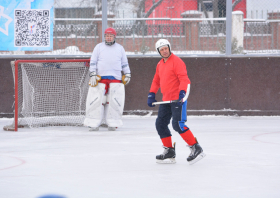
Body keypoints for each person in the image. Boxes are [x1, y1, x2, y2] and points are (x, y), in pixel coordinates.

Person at [147, 39, 205, 165]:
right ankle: (169, 152)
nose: (164, 51)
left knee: (178, 124)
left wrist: (182, 93)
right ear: (159, 52)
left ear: (169, 48)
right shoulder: (160, 64)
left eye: (166, 48)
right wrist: (151, 94)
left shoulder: (177, 61)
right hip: (166, 100)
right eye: (161, 50)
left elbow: (184, 79)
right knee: (160, 124)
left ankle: (196, 148)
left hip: (178, 98)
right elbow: (156, 81)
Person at [84, 27, 131, 131]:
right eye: (107, 36)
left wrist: (127, 74)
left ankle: (113, 123)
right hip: (100, 78)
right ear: (104, 37)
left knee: (114, 101)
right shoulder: (98, 47)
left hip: (116, 79)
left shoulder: (120, 48)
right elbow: (93, 62)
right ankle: (93, 123)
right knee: (96, 100)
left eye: (111, 36)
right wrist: (92, 74)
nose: (108, 38)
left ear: (114, 37)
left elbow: (124, 63)